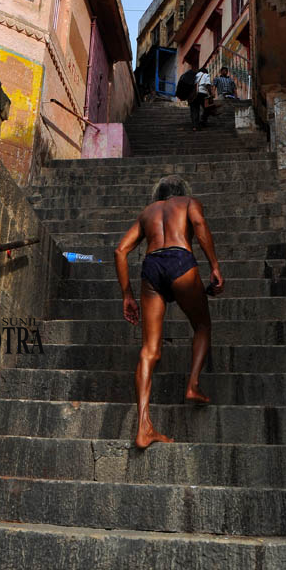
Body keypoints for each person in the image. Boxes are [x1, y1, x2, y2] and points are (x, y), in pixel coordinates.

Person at [114, 174, 224, 449]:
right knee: (201, 326)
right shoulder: (189, 203)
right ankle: (193, 385)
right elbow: (199, 227)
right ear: (181, 190)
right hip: (179, 260)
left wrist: (127, 294)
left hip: (151, 267)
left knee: (149, 350)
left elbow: (120, 251)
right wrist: (214, 267)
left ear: (159, 193)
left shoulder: (147, 212)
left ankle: (143, 426)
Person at [189, 65, 211, 130]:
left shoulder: (194, 76)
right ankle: (203, 121)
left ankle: (195, 126)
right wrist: (211, 93)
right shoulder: (206, 75)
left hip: (192, 95)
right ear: (205, 72)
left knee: (194, 110)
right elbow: (208, 85)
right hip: (202, 93)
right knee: (208, 108)